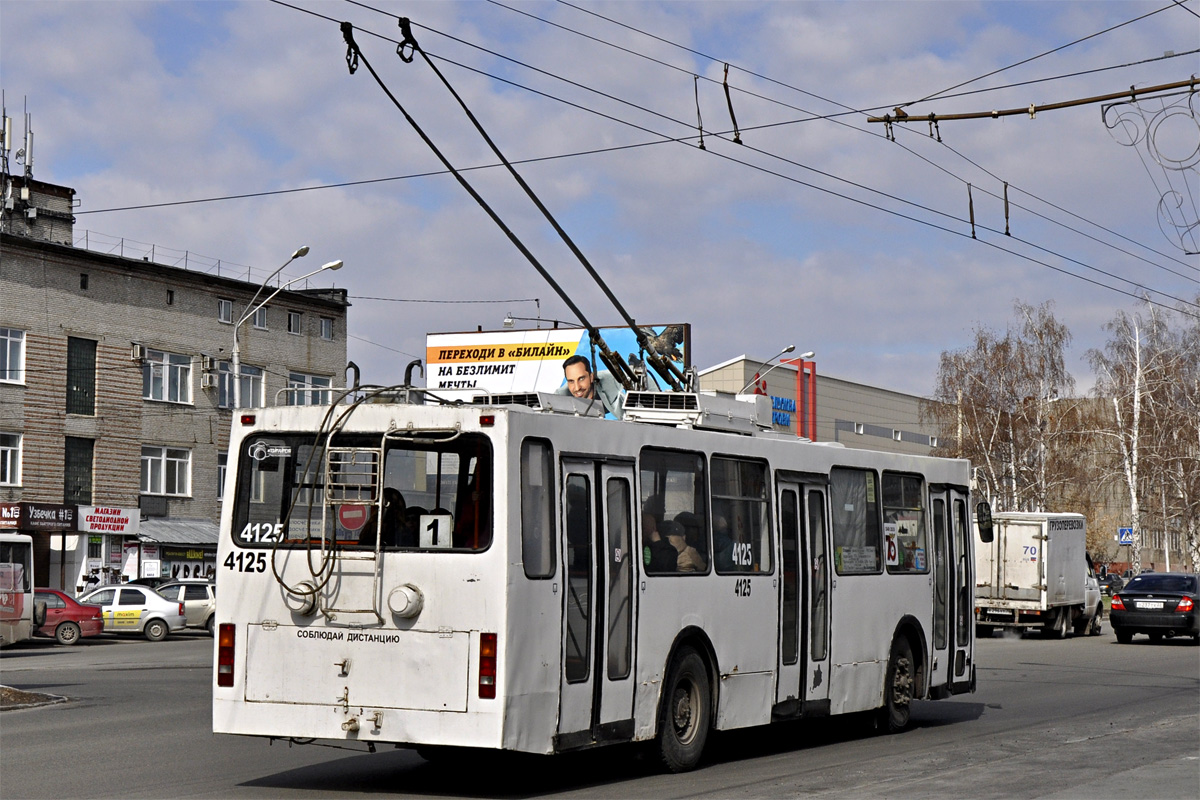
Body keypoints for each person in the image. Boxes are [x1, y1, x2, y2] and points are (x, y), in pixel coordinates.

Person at [555, 354, 625, 420]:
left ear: (591, 377)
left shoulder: (609, 379)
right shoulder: (561, 396)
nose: (577, 388)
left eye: (581, 379)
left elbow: (631, 374)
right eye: (571, 381)